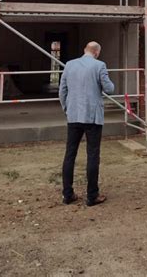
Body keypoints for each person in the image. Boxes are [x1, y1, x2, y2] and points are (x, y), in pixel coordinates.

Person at [59, 41, 115, 207]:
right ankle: (92, 195)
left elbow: (63, 90)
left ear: (85, 50)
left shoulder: (69, 65)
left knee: (70, 154)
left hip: (74, 115)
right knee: (92, 154)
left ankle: (67, 194)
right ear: (97, 53)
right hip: (92, 116)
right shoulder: (99, 65)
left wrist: (67, 108)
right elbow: (109, 88)